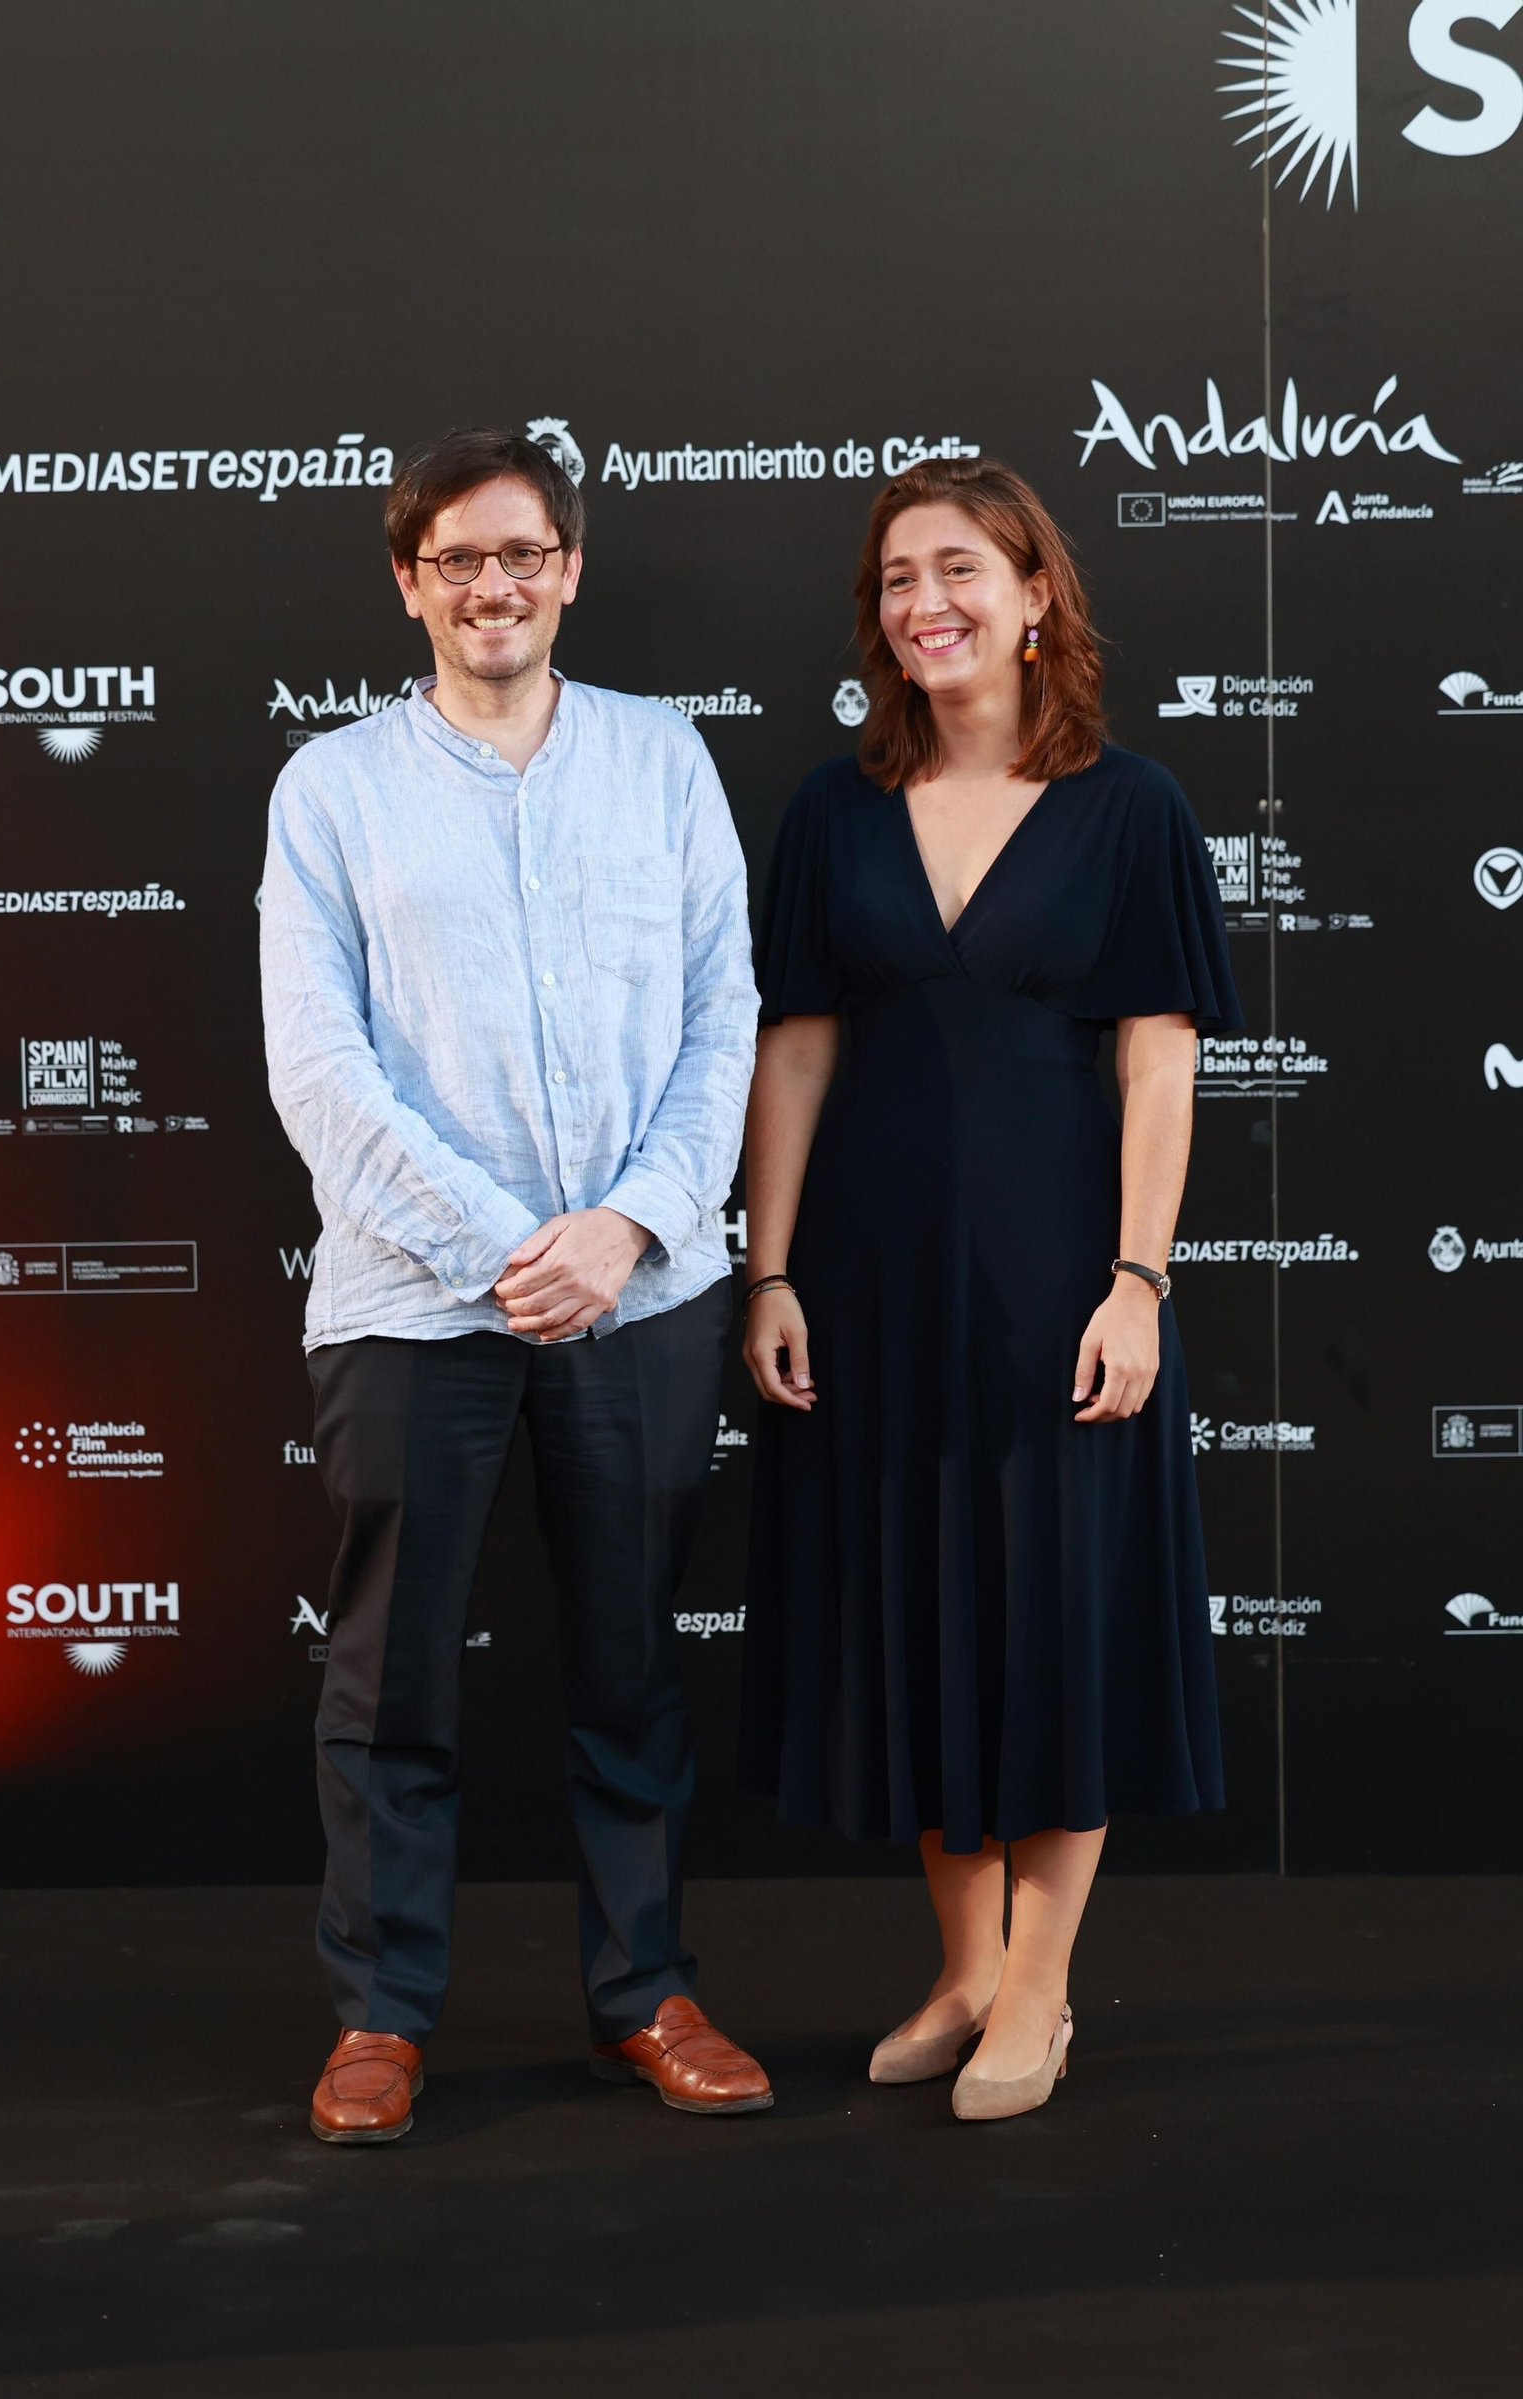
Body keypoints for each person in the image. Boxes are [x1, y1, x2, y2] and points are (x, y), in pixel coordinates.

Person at [260, 427, 771, 2142]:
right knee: (393, 1674)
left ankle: (648, 1991)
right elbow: (318, 1067)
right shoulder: (331, 788)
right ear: (409, 581)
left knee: (630, 1660)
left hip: (647, 1291)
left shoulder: (661, 758)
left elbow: (725, 1021)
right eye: (458, 558)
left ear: (570, 569)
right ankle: (385, 2014)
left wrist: (626, 1229)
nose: (495, 584)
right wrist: (501, 1244)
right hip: (418, 1304)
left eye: (524, 553)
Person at [738, 458, 1241, 2122]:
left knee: (1056, 1615)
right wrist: (772, 1268)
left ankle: (1042, 1985)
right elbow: (795, 1051)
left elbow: (1159, 1071)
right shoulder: (831, 808)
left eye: (958, 570)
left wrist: (1139, 1281)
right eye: (894, 581)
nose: (923, 604)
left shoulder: (1134, 805)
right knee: (916, 1614)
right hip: (873, 1289)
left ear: (1037, 599)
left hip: (1055, 1291)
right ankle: (960, 1969)